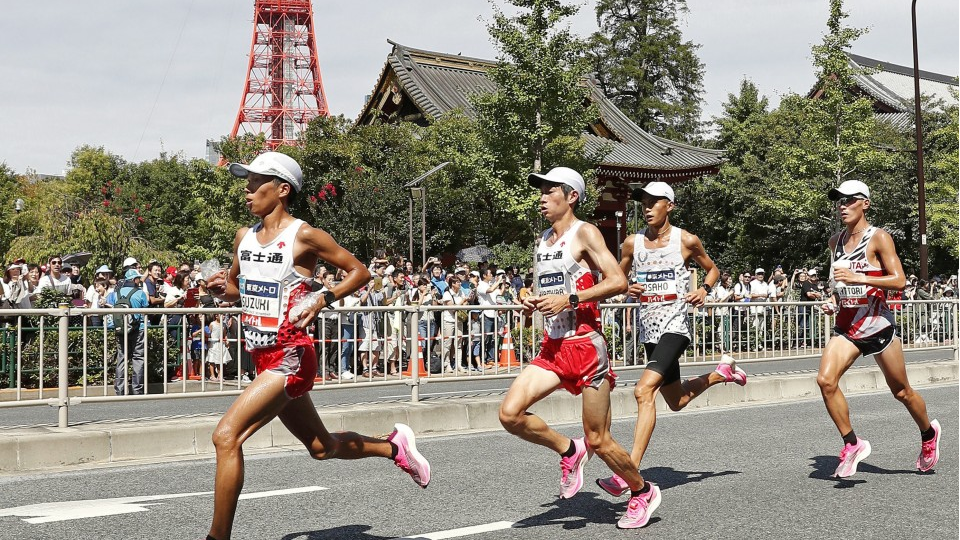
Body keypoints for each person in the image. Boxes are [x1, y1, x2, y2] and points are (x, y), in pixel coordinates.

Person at [205, 152, 430, 540]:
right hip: (263, 356)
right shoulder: (243, 237)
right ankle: (395, 448)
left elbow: (361, 273)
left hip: (291, 355)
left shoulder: (303, 235)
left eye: (256, 182)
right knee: (322, 448)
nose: (247, 190)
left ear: (282, 189)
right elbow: (236, 289)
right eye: (246, 180)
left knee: (226, 436)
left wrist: (321, 298)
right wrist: (220, 288)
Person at [498, 166, 645, 530]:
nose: (542, 198)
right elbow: (548, 289)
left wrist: (571, 298)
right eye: (542, 192)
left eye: (550, 192)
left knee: (600, 438)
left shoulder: (586, 233)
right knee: (509, 414)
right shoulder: (544, 239)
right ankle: (569, 449)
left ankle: (641, 491)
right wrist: (530, 299)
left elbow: (618, 281)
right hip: (553, 347)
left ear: (572, 196)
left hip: (585, 347)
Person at [595, 181, 746, 528]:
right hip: (649, 326)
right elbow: (618, 274)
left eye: (653, 202)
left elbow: (713, 269)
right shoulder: (633, 242)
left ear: (670, 206)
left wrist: (704, 290)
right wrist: (626, 285)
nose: (646, 207)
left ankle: (628, 473)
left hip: (675, 325)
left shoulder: (686, 240)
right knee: (676, 400)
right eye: (643, 202)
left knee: (642, 391)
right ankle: (720, 373)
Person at [818, 180, 940, 478]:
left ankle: (928, 435)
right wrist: (833, 300)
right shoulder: (835, 241)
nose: (842, 206)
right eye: (839, 201)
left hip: (877, 326)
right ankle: (852, 443)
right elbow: (840, 282)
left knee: (901, 391)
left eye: (849, 200)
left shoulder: (878, 238)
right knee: (825, 380)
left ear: (865, 203)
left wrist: (860, 279)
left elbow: (899, 280)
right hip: (847, 326)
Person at [108, 268, 149, 395]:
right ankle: (137, 389)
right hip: (138, 329)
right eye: (137, 278)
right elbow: (146, 307)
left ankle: (120, 390)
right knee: (138, 358)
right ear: (133, 279)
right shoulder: (140, 293)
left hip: (121, 329)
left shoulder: (116, 293)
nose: (139, 280)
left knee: (122, 358)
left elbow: (111, 305)